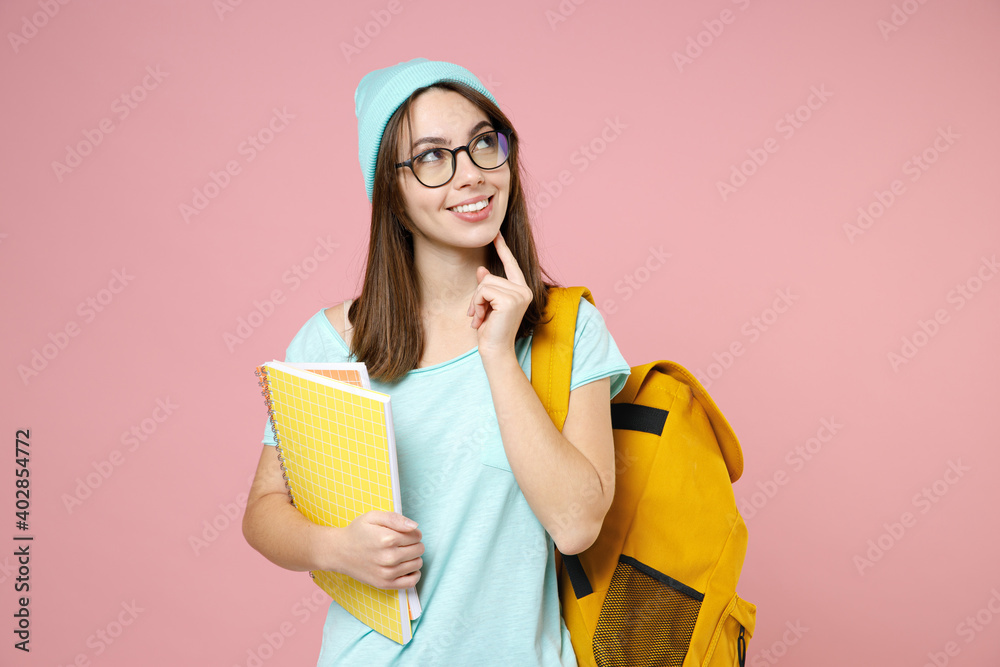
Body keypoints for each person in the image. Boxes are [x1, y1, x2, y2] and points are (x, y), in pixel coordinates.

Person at [242, 57, 631, 665]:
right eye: (430, 156)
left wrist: (498, 353)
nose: (471, 174)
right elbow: (264, 512)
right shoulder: (331, 341)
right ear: (389, 190)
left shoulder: (568, 328)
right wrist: (337, 549)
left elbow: (577, 524)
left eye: (483, 144)